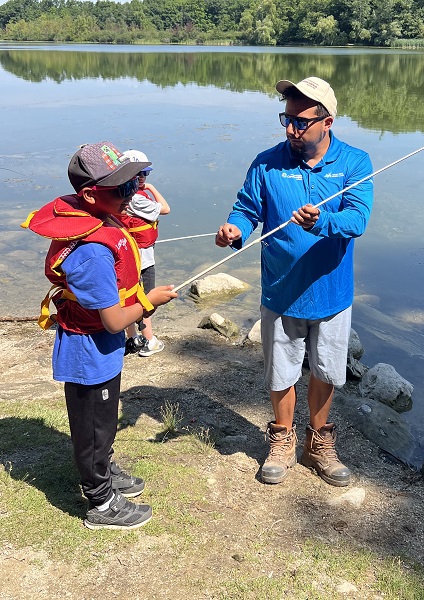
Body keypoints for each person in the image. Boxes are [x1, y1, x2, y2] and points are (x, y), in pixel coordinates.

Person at [215, 77, 374, 487]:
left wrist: (323, 221)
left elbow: (357, 219)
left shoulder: (354, 163)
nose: (290, 129)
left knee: (325, 371)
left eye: (301, 122)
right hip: (281, 291)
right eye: (286, 119)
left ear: (328, 122)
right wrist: (235, 230)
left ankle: (318, 443)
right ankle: (282, 440)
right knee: (281, 372)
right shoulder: (267, 163)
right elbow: (247, 209)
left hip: (331, 293)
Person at [22, 141, 178, 529]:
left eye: (134, 184)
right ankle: (100, 501)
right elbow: (112, 321)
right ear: (91, 195)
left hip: (102, 348)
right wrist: (151, 300)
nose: (133, 193)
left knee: (104, 421)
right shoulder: (91, 251)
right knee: (94, 426)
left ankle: (104, 467)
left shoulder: (101, 220)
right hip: (88, 352)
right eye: (122, 189)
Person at [119, 149, 171, 357]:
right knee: (146, 300)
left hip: (126, 256)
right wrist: (151, 187)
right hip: (142, 259)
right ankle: (148, 341)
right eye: (139, 175)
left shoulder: (118, 196)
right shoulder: (136, 200)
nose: (143, 179)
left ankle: (133, 338)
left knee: (128, 297)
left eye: (145, 175)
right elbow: (165, 209)